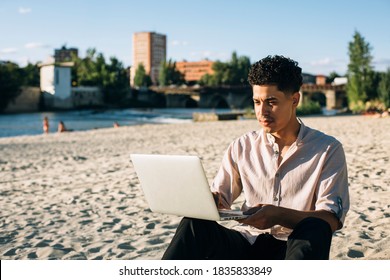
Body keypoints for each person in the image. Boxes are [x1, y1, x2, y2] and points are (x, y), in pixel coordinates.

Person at [162, 55, 350, 260]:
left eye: (271, 102)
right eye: (257, 102)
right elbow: (221, 197)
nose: (262, 112)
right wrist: (205, 200)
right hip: (247, 243)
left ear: (295, 99)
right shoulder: (241, 146)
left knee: (315, 227)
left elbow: (330, 219)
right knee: (194, 223)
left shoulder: (328, 149)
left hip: (294, 247)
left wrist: (278, 215)